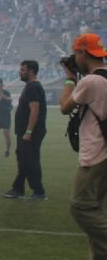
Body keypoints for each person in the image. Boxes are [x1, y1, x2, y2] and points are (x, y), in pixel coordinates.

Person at [59, 33, 107, 259]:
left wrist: (69, 78)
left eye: (76, 53)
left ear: (82, 53)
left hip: (96, 154)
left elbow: (65, 107)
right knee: (96, 209)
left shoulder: (91, 81)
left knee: (80, 207)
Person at [2, 60, 47, 200]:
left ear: (31, 71)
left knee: (30, 160)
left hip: (31, 133)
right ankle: (18, 188)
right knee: (23, 159)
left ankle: (39, 191)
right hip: (25, 132)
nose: (20, 72)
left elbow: (35, 110)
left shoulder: (33, 87)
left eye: (23, 70)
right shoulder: (30, 86)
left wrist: (28, 132)